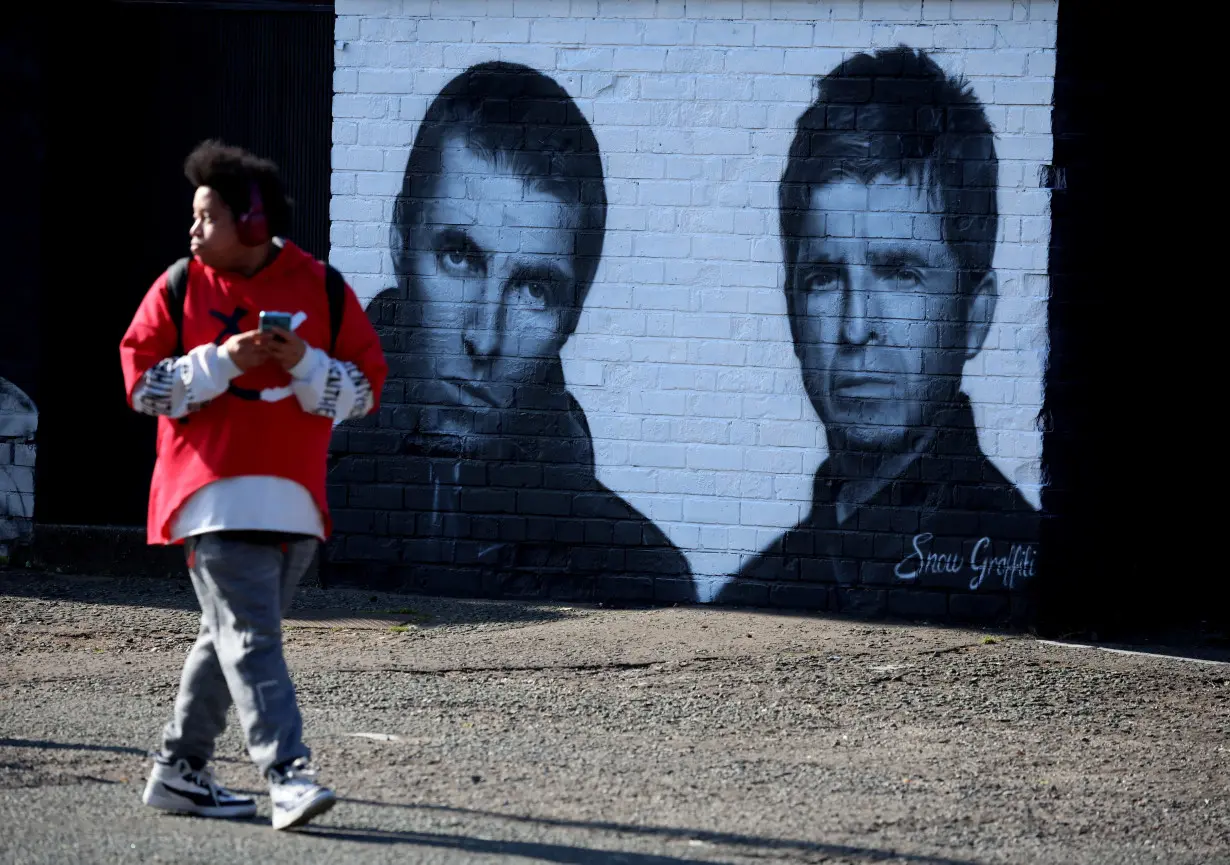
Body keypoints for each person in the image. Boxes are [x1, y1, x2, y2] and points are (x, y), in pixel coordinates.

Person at [329, 62, 693, 602]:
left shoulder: (637, 576)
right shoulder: (288, 508)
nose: (484, 337)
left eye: (533, 290)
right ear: (399, 240)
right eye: (458, 258)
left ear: (571, 314)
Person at [119, 141, 388, 829]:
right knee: (251, 636)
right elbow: (143, 386)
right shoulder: (180, 284)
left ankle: (180, 770)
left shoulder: (320, 285)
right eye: (194, 216)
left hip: (294, 500)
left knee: (231, 635)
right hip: (210, 494)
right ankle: (288, 774)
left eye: (207, 216)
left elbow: (364, 389)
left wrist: (305, 363)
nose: (193, 230)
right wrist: (218, 363)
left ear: (255, 222)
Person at [720, 47, 1037, 606]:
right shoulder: (749, 598)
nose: (856, 326)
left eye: (900, 274)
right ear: (791, 306)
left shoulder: (1029, 579)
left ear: (975, 315)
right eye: (823, 278)